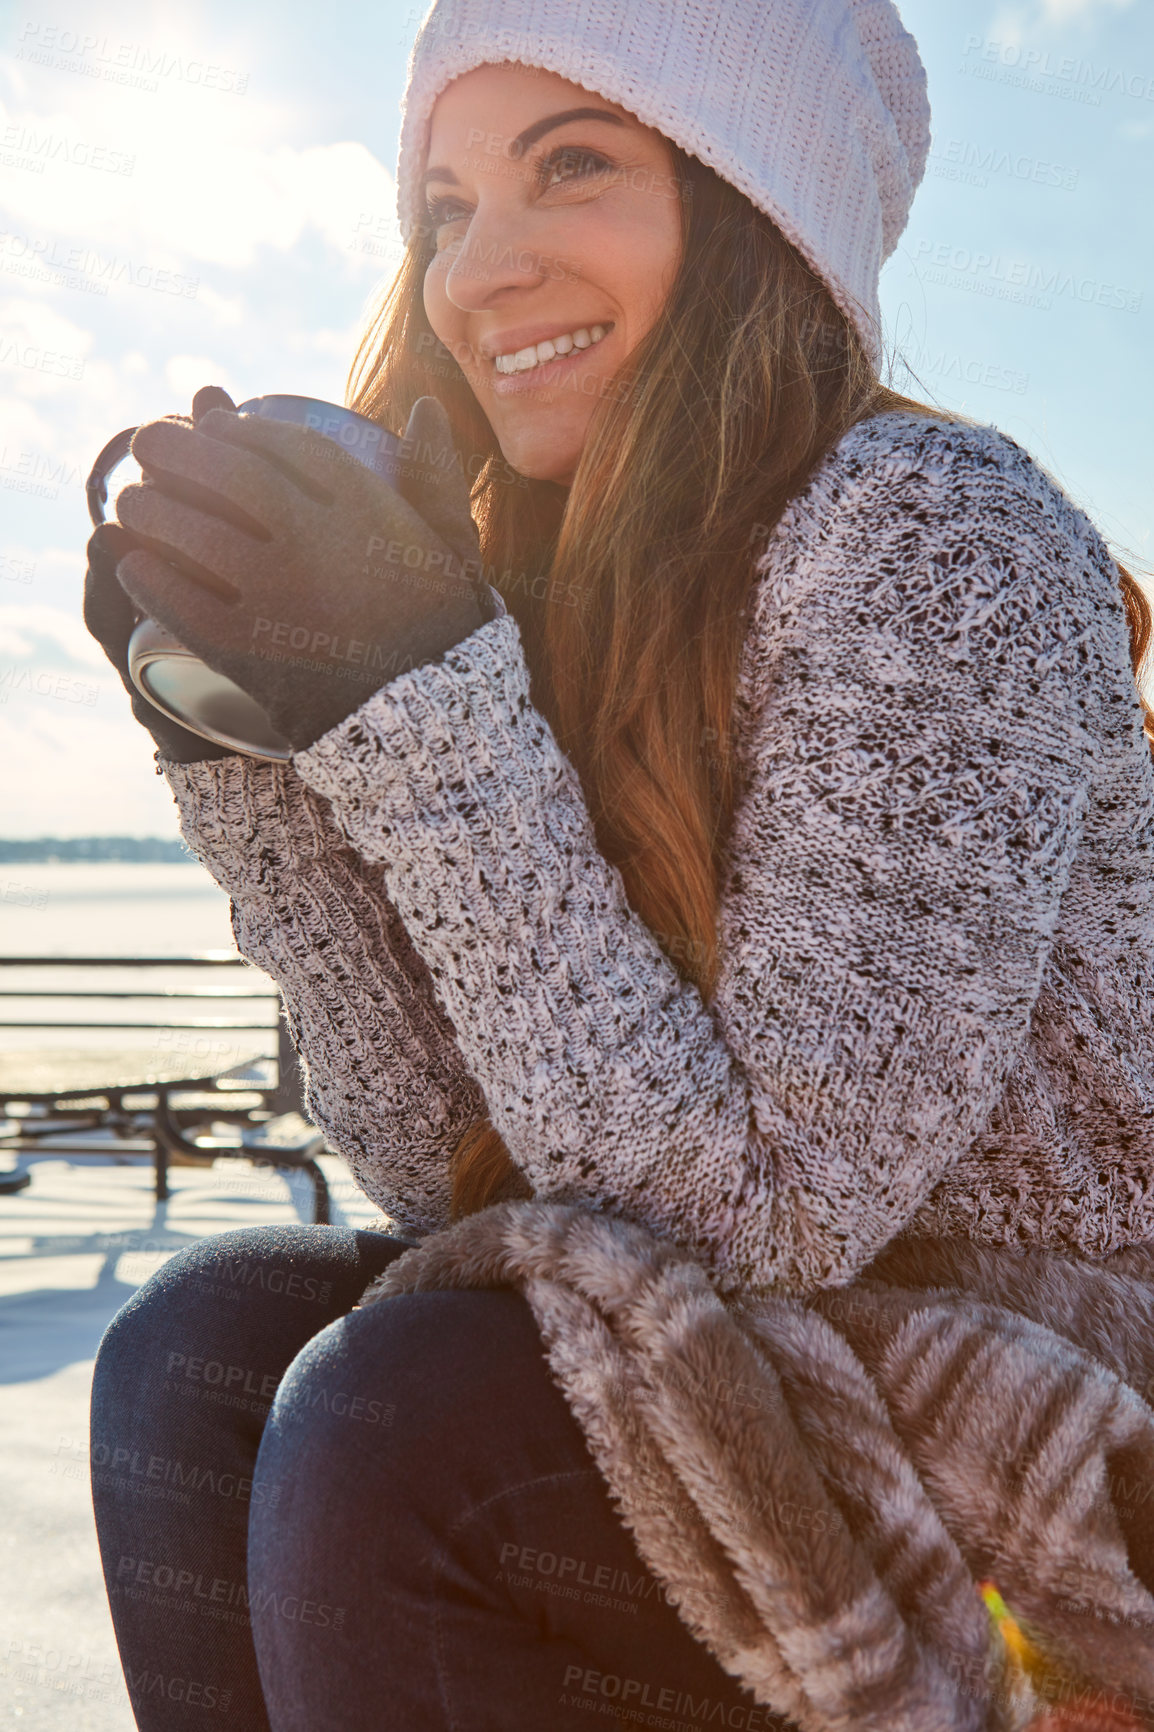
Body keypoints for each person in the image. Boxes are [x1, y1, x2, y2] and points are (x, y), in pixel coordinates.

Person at [83, 0, 1154, 1727]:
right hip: (801, 1386)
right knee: (196, 1350)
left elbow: (773, 1212)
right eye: (443, 208)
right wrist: (253, 756)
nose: (475, 271)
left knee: (408, 1414)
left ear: (756, 206)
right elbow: (467, 1194)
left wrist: (418, 696)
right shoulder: (544, 597)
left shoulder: (936, 531)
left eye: (568, 168)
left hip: (1056, 1431)